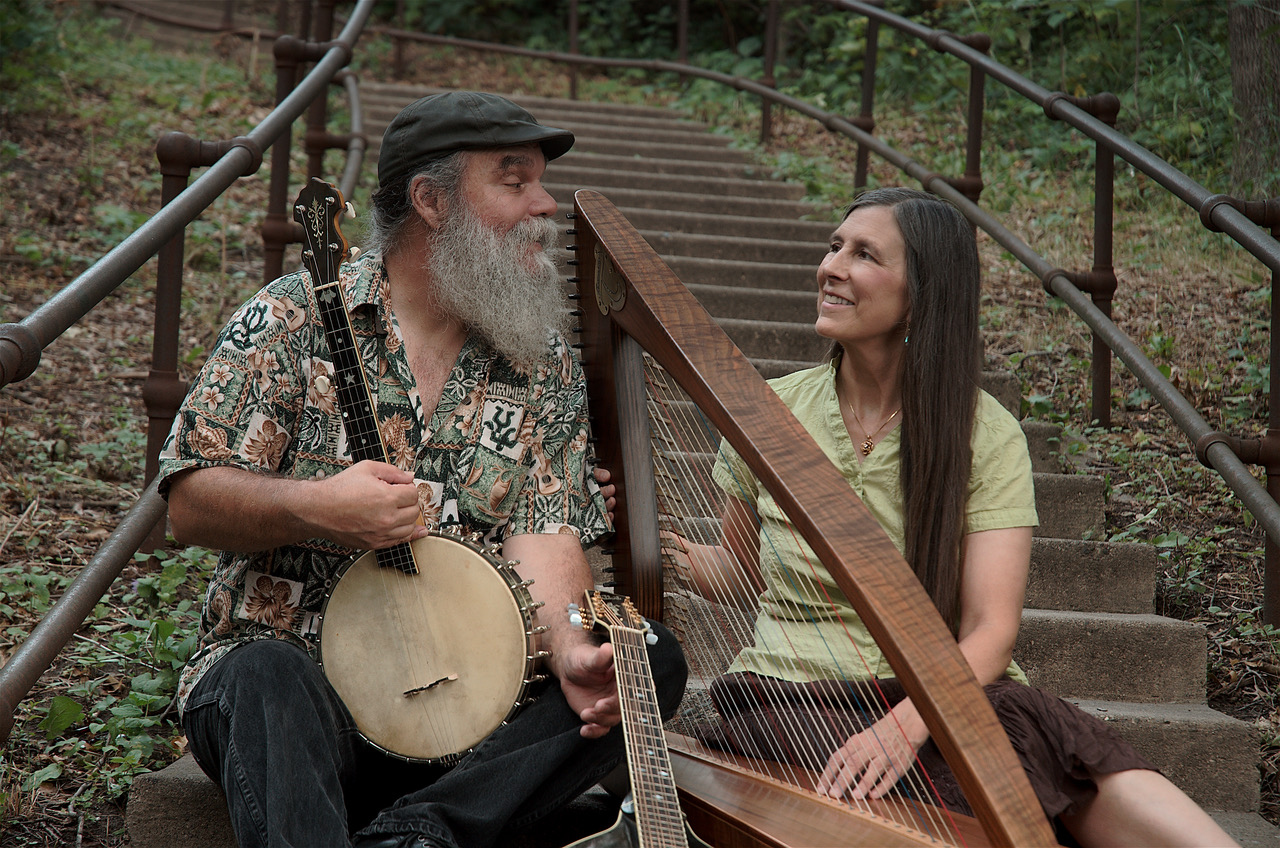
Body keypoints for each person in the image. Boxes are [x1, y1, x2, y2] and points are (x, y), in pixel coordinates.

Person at [156, 91, 687, 848]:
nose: (546, 204)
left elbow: (545, 534)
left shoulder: (538, 360)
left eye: (540, 181)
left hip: (467, 716)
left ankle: (419, 833)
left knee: (646, 658)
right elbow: (189, 503)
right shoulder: (293, 317)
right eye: (514, 180)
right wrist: (318, 507)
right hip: (302, 704)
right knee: (265, 675)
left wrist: (572, 646)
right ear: (431, 201)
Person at [668, 187, 1236, 847]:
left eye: (864, 255)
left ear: (923, 292)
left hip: (943, 697)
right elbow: (740, 569)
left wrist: (905, 726)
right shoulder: (767, 410)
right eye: (833, 247)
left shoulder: (983, 433)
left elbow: (990, 630)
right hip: (790, 697)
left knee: (1053, 742)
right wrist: (659, 544)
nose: (832, 267)